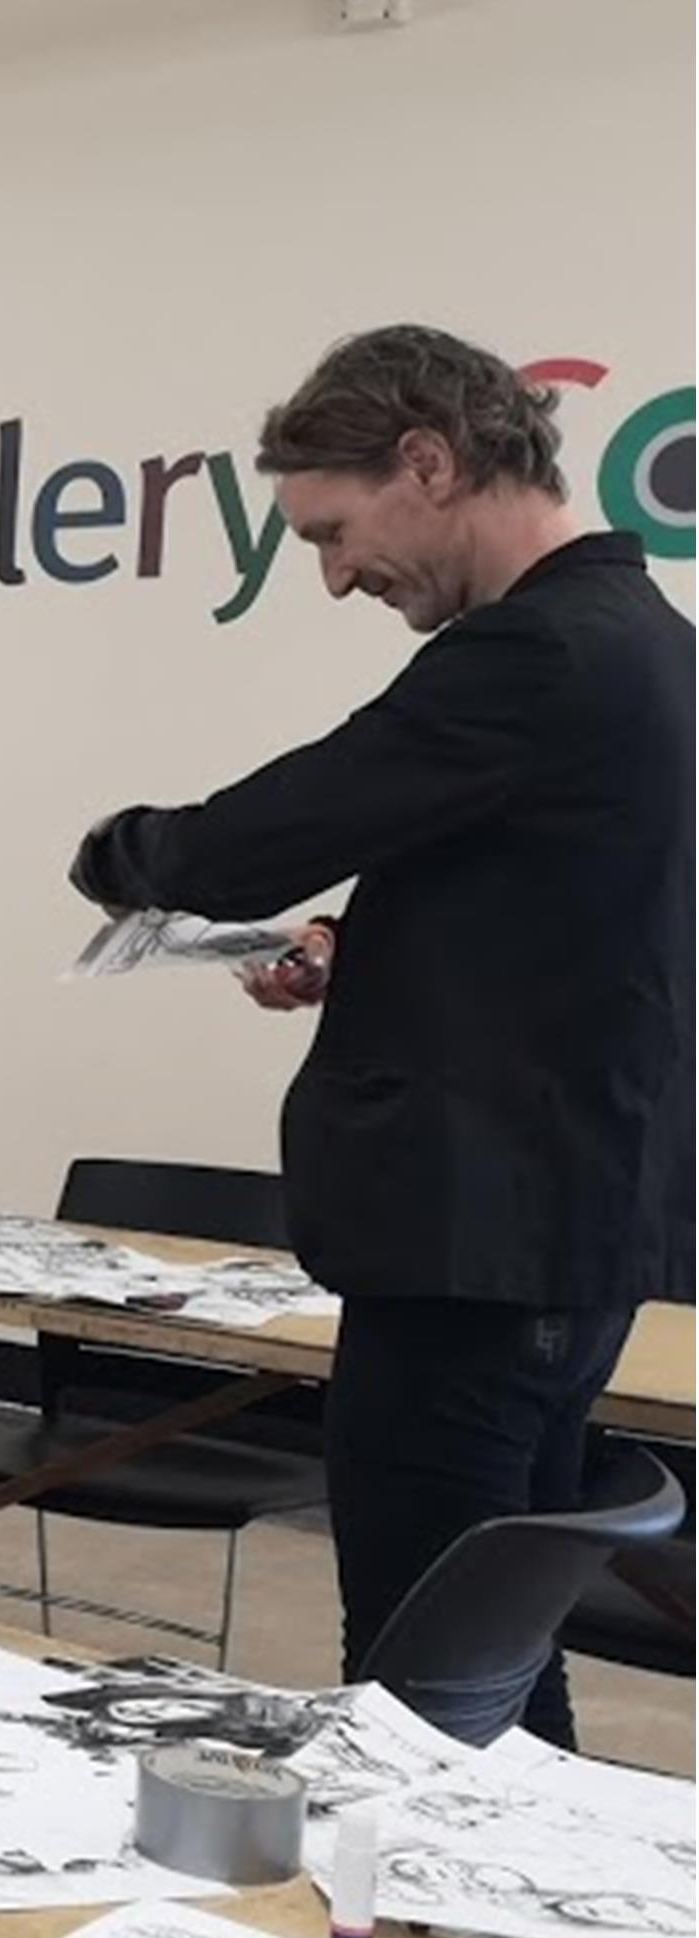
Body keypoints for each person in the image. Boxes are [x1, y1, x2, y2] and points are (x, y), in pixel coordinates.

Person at [69, 325, 693, 1746]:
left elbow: (270, 830)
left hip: (485, 1245)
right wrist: (360, 946)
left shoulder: (539, 652)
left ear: (428, 460)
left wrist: (125, 851)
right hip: (550, 1230)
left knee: (419, 1657)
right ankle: (499, 1922)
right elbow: (556, 908)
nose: (340, 575)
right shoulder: (640, 643)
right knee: (491, 1631)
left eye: (334, 534)